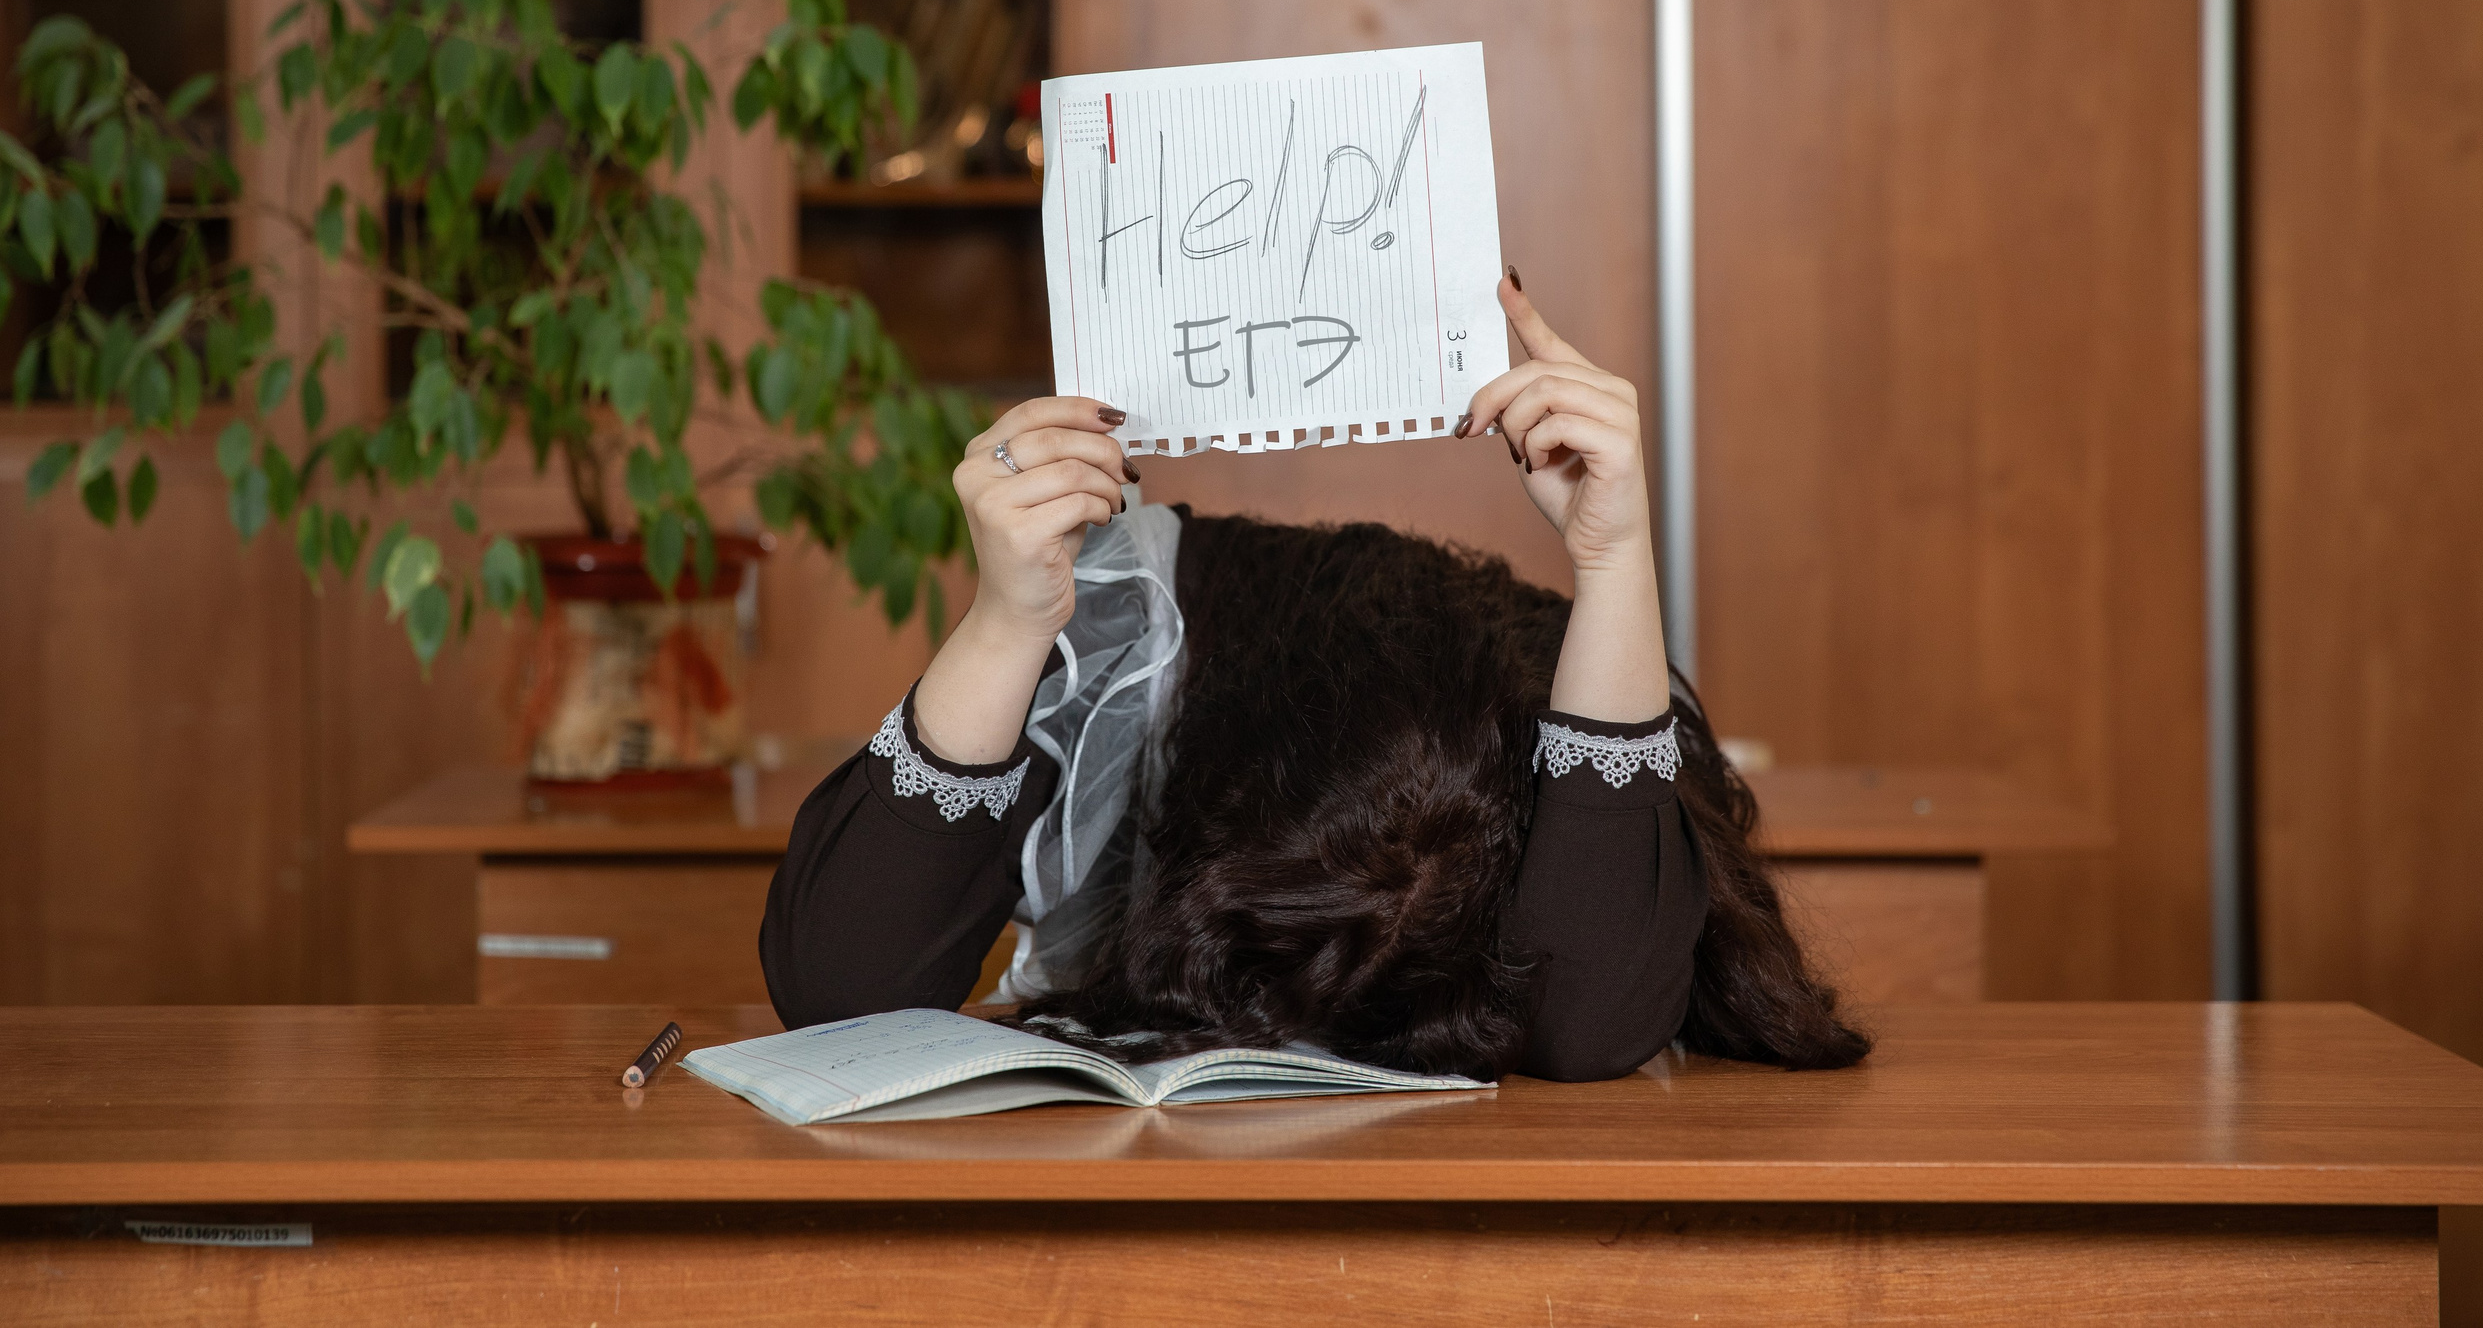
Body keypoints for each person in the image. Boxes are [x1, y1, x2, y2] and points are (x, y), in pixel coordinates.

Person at [761, 272, 1870, 1081]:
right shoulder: (1129, 656)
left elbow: (1592, 1022)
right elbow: (841, 990)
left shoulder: (1565, 714)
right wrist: (1007, 622)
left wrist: (1616, 560)